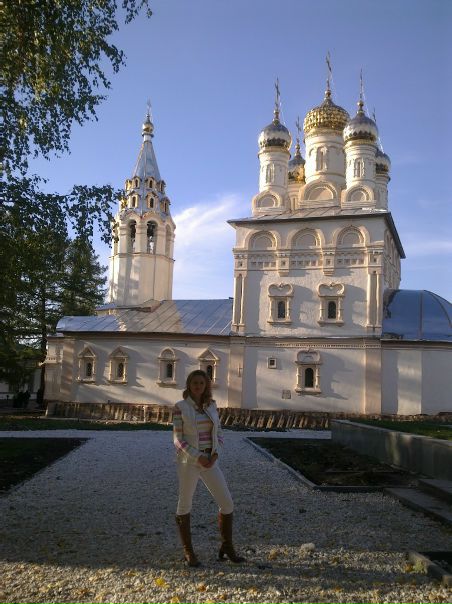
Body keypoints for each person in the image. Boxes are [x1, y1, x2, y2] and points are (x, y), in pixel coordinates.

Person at [173, 369, 245, 567]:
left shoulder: (211, 406)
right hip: (190, 462)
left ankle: (227, 546)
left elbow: (219, 432)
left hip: (210, 461)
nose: (198, 386)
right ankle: (188, 552)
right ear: (189, 385)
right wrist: (199, 457)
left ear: (206, 386)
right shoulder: (180, 407)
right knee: (185, 504)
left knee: (227, 503)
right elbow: (178, 440)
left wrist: (215, 454)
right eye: (194, 383)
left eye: (201, 383)